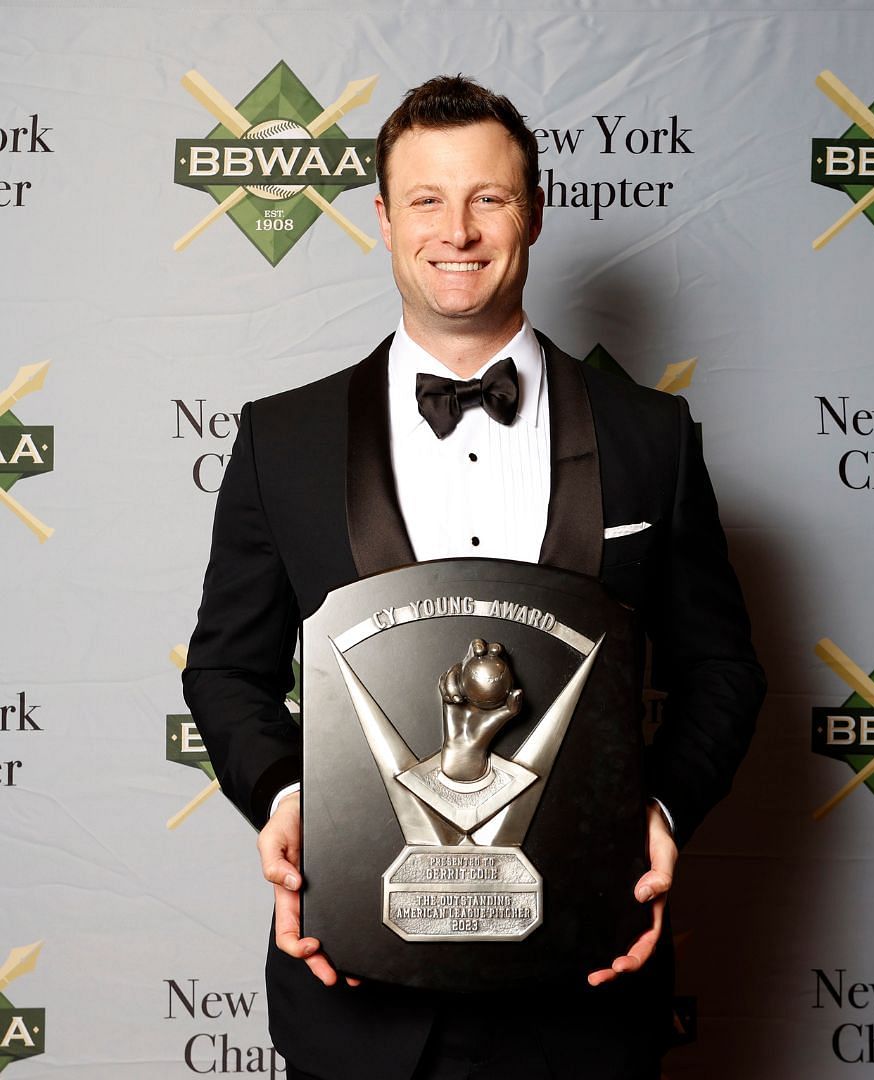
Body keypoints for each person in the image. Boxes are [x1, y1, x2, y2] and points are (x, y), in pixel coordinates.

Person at [182, 75, 764, 1080]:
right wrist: (284, 798)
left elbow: (724, 671)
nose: (457, 230)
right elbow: (224, 669)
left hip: (587, 990)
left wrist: (660, 816)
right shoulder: (283, 439)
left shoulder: (648, 438)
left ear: (531, 212)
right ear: (382, 217)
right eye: (426, 199)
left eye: (488, 198)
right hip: (354, 992)